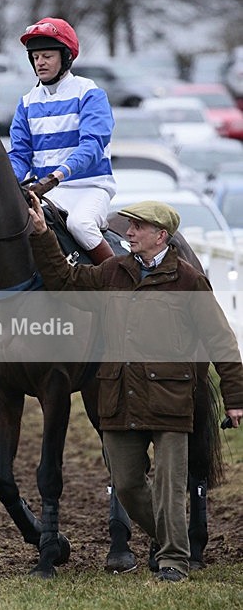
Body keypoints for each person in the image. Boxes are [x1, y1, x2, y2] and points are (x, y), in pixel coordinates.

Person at [28, 194, 243, 582]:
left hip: (169, 398)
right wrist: (43, 234)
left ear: (161, 235)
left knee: (169, 487)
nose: (128, 232)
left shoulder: (189, 281)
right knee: (127, 485)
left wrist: (235, 398)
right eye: (129, 226)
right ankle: (171, 539)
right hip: (120, 396)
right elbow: (65, 281)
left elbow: (221, 341)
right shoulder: (113, 271)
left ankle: (174, 561)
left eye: (137, 227)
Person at [8, 17, 116, 265]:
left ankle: (118, 280)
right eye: (35, 57)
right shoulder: (26, 102)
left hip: (90, 188)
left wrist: (56, 176)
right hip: (47, 193)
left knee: (80, 225)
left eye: (47, 56)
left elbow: (92, 146)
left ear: (66, 57)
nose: (40, 62)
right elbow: (20, 155)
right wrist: (8, 181)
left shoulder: (89, 93)